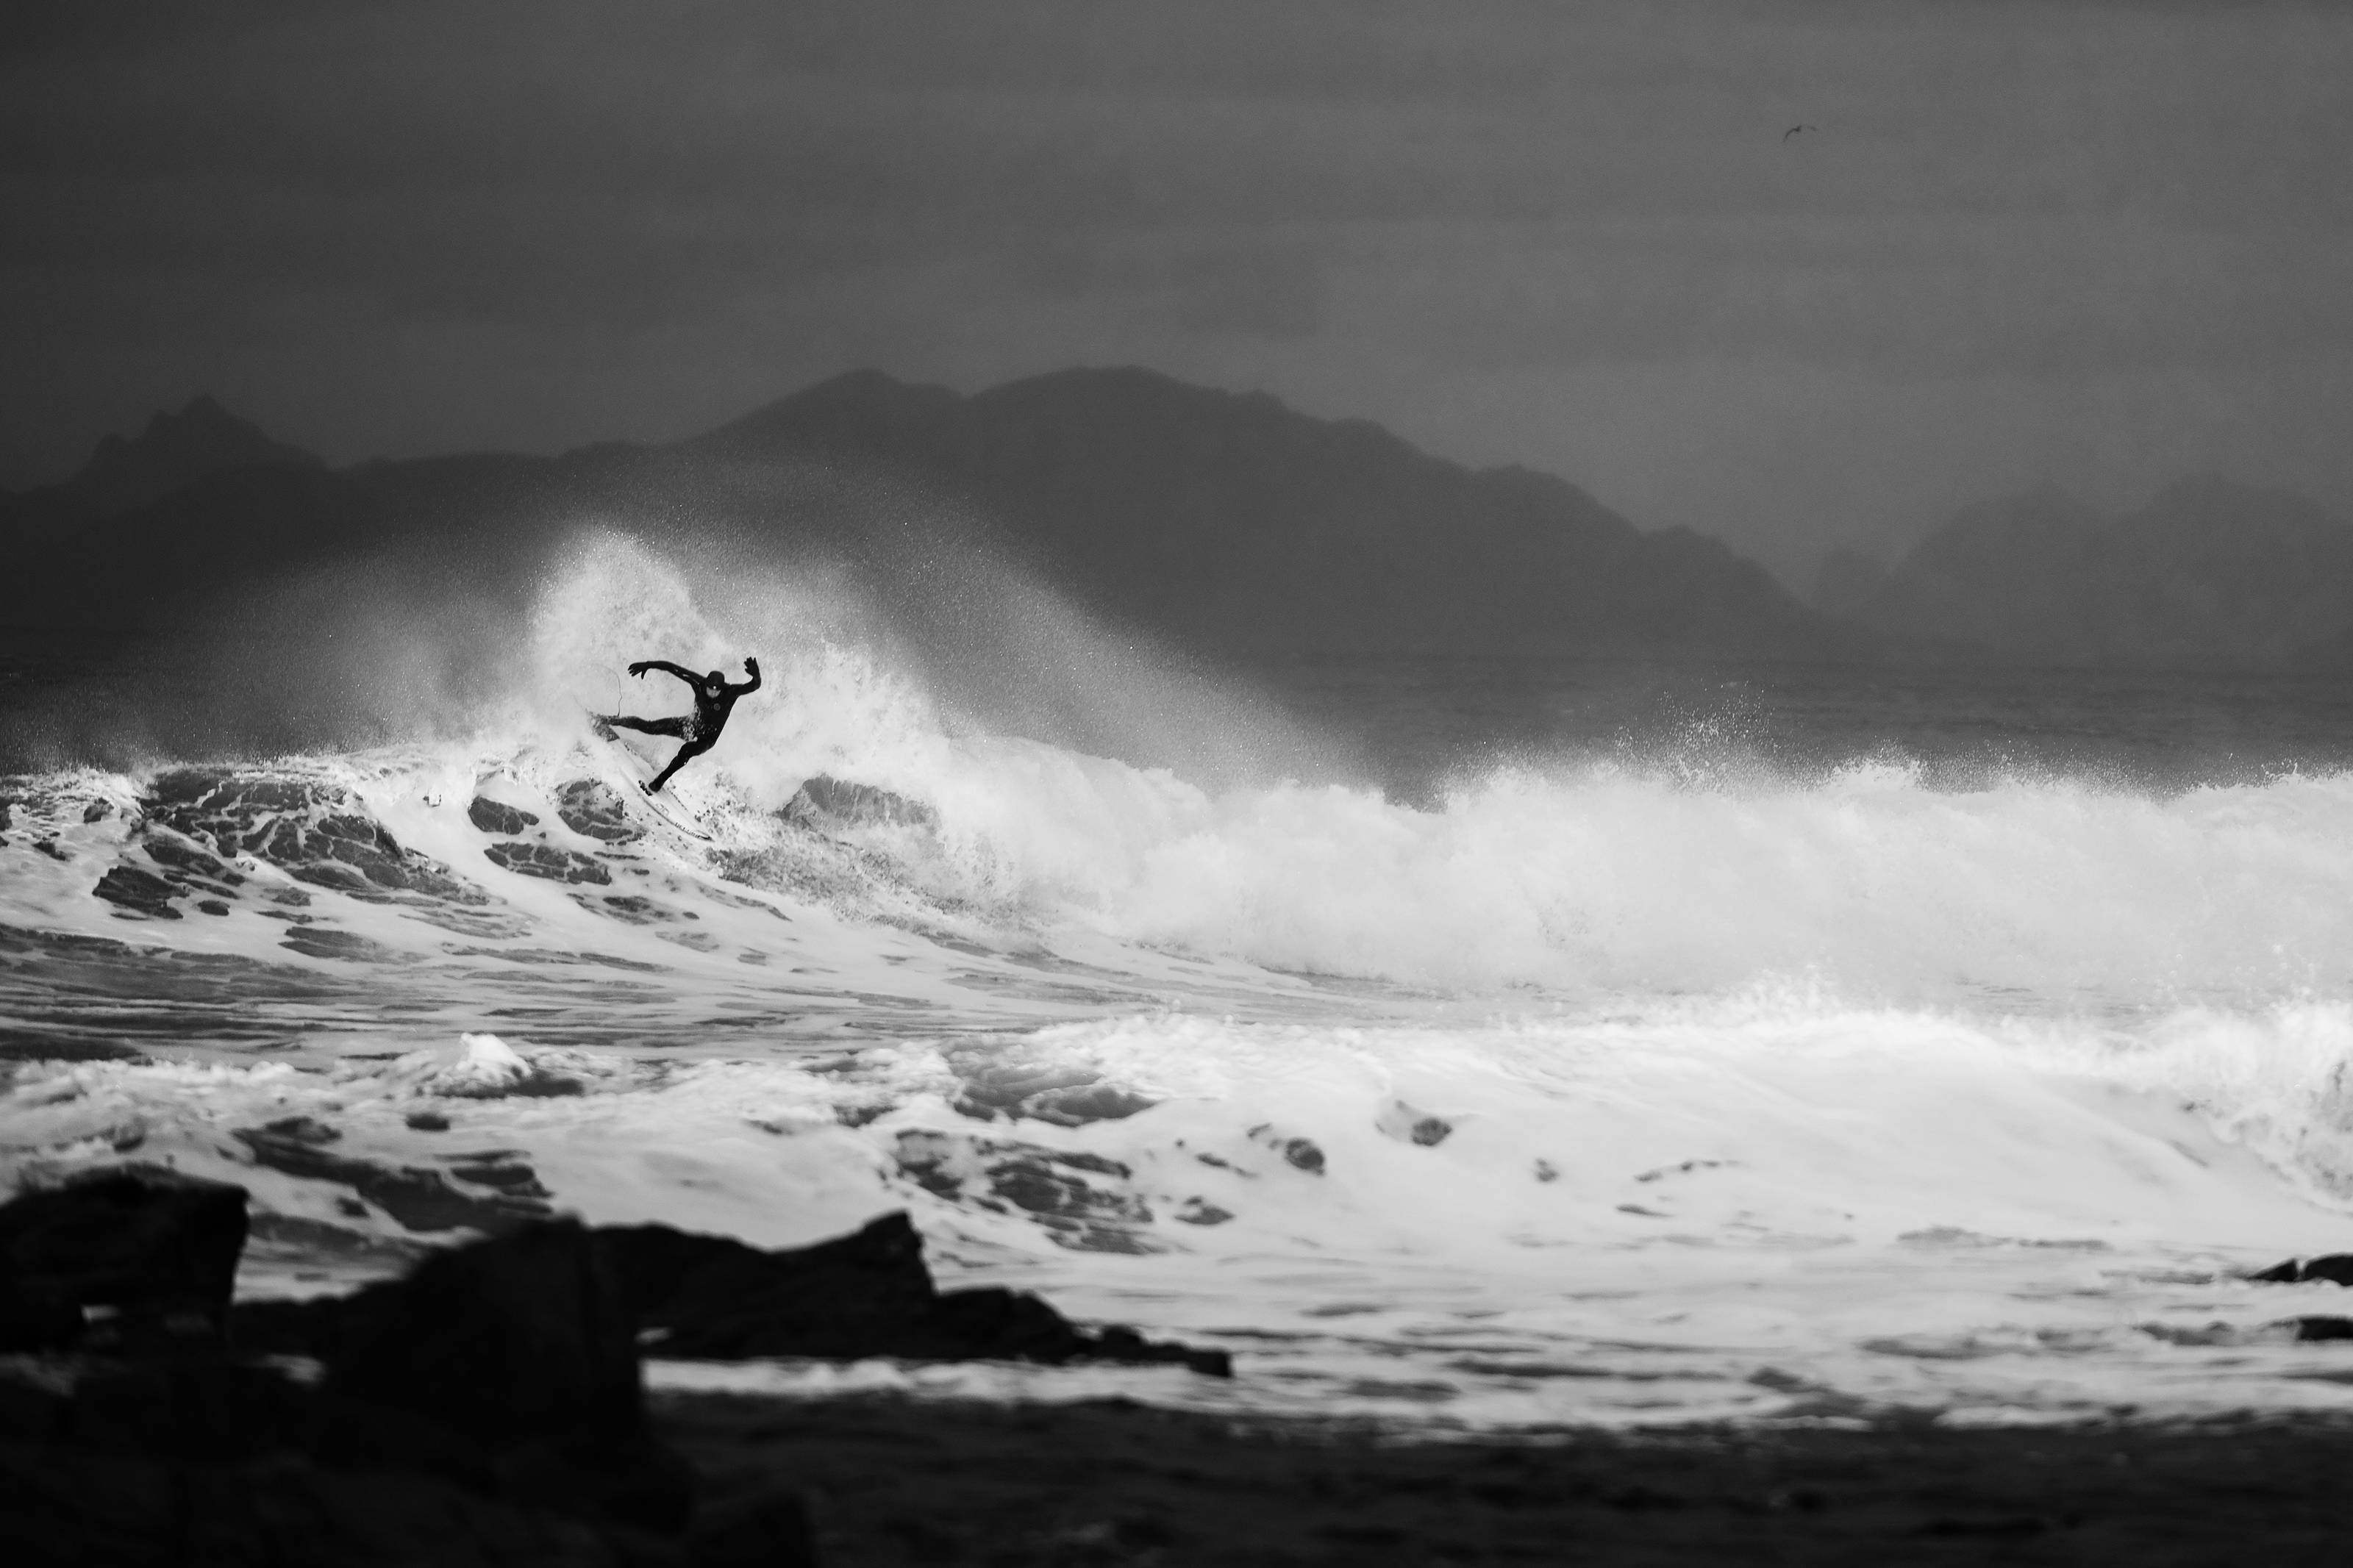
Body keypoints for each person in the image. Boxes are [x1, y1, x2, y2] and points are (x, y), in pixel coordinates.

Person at [596, 656, 760, 794]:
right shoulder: (699, 684)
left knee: (686, 752)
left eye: (716, 691)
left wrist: (756, 675)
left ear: (721, 689)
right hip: (691, 725)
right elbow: (673, 668)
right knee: (649, 727)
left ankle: (660, 781)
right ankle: (607, 720)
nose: (712, 693)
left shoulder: (730, 693)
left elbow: (754, 686)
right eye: (710, 689)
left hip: (708, 739)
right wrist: (648, 665)